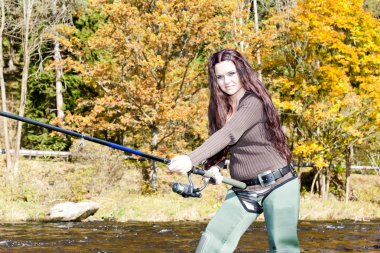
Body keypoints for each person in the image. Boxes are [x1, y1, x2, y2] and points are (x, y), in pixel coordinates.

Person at [168, 49, 300, 253]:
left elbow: (230, 133)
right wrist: (214, 167)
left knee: (283, 248)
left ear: (242, 72)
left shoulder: (253, 102)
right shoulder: (218, 107)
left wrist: (190, 159)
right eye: (220, 77)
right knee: (211, 243)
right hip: (244, 188)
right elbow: (219, 143)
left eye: (231, 74)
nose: (226, 81)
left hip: (279, 184)